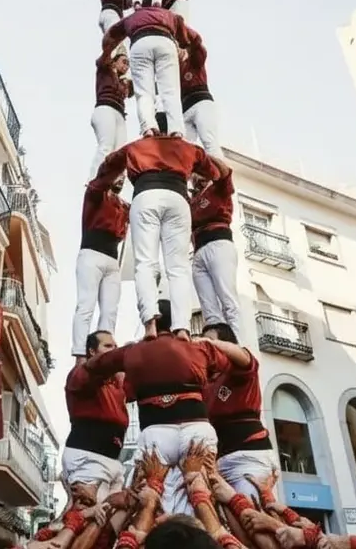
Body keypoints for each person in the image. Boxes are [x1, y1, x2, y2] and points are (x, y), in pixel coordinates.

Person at [83, 329, 231, 515]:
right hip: (196, 431)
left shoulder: (134, 350)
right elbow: (229, 363)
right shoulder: (197, 347)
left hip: (156, 437)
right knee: (201, 499)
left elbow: (95, 366)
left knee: (151, 503)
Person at [91, 134, 220, 336]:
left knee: (145, 262)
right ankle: (182, 328)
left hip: (146, 194)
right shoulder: (186, 147)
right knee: (178, 267)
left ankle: (150, 324)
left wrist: (101, 183)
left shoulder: (137, 145)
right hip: (177, 197)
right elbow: (214, 171)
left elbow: (109, 164)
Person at [100, 5, 203, 139]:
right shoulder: (169, 15)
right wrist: (185, 48)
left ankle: (148, 128)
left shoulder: (133, 17)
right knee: (170, 91)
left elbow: (111, 35)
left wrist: (107, 53)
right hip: (165, 41)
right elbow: (192, 37)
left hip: (140, 42)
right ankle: (176, 130)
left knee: (144, 93)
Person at [199, 325, 277, 500]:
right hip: (221, 460)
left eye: (212, 341)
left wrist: (211, 343)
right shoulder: (207, 383)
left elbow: (243, 356)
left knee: (251, 516)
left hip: (247, 455)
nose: (207, 347)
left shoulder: (238, 369)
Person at [63, 331, 129, 502]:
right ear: (92, 351)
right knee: (84, 517)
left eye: (115, 346)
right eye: (108, 346)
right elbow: (98, 367)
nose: (114, 350)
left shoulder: (116, 384)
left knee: (116, 518)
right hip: (88, 459)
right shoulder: (80, 375)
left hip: (112, 462)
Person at [72, 176, 128, 355]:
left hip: (112, 259)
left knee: (110, 309)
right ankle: (80, 352)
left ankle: (106, 352)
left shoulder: (124, 206)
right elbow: (100, 180)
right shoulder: (96, 195)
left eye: (123, 176)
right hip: (91, 254)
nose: (121, 179)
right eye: (117, 175)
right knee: (86, 305)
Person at [191, 157, 239, 331]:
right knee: (209, 309)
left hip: (218, 244)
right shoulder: (191, 202)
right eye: (194, 174)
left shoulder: (217, 188)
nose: (198, 177)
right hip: (198, 251)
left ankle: (239, 344)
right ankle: (217, 346)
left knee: (228, 300)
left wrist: (204, 155)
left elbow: (226, 172)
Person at [90, 52, 132, 178]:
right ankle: (93, 180)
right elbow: (105, 53)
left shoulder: (124, 83)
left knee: (119, 153)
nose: (126, 66)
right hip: (105, 108)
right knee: (106, 146)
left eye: (128, 64)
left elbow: (144, 85)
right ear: (114, 62)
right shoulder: (105, 69)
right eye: (124, 62)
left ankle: (112, 185)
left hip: (119, 115)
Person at [178, 43, 221, 157]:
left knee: (209, 141)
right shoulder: (173, 69)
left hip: (201, 102)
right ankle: (186, 173)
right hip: (184, 110)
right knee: (183, 147)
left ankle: (219, 174)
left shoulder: (194, 59)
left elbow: (199, 48)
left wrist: (184, 35)